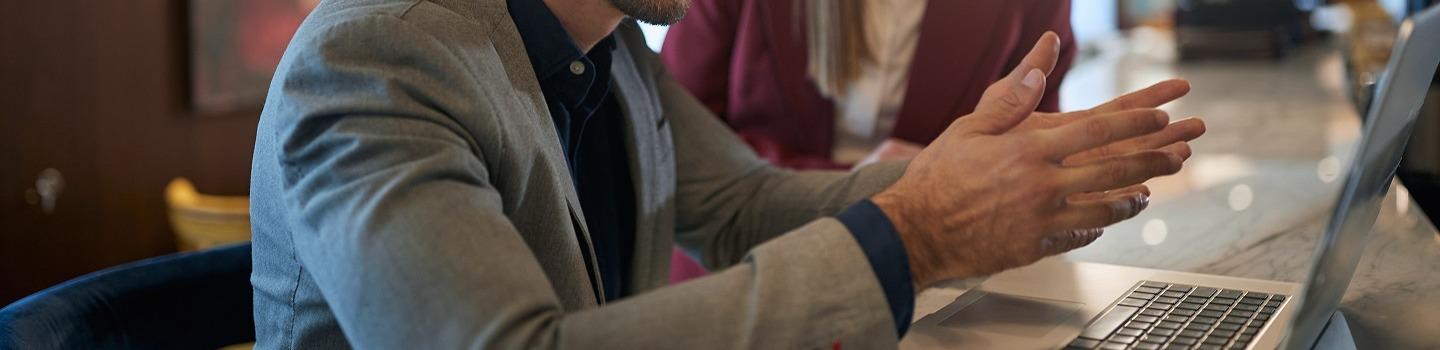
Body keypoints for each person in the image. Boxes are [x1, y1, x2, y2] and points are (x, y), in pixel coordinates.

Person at [248, 0, 1206, 348]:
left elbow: (741, 204)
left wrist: (969, 180)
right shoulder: (377, 58)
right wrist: (916, 236)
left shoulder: (613, 46)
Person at [660, 0, 1079, 282]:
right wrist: (892, 179)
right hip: (744, 263)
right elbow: (674, 144)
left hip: (937, 274)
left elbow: (1027, 144)